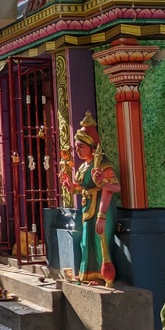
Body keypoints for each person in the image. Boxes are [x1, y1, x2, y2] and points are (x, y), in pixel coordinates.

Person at [58, 111, 120, 286]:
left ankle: (104, 277)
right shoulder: (84, 167)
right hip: (87, 208)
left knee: (101, 242)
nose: (78, 150)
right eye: (77, 147)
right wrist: (70, 186)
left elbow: (114, 188)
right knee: (86, 242)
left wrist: (102, 215)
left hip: (102, 208)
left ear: (92, 148)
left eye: (81, 147)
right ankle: (89, 275)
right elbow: (82, 188)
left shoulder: (103, 166)